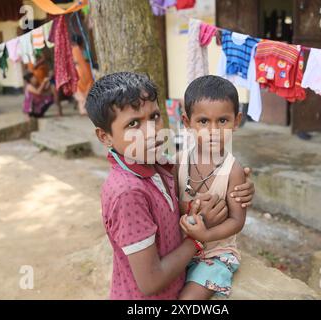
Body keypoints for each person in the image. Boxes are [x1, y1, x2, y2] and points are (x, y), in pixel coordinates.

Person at [85, 72, 254, 300]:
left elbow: (174, 204)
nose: (152, 131)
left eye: (154, 116)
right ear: (105, 137)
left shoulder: (159, 164)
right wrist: (199, 235)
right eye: (133, 124)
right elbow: (150, 282)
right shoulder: (128, 193)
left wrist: (197, 206)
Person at [177, 75, 246, 299]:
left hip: (216, 253)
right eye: (203, 121)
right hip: (180, 248)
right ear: (187, 123)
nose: (213, 130)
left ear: (237, 121)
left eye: (223, 121)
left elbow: (237, 220)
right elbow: (169, 203)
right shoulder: (178, 162)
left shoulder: (233, 170)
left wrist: (206, 234)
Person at [71, 34, 93, 116]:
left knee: (79, 91)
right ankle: (88, 109)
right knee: (88, 90)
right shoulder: (85, 50)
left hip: (78, 73)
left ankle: (83, 110)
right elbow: (89, 60)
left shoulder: (72, 51)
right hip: (87, 73)